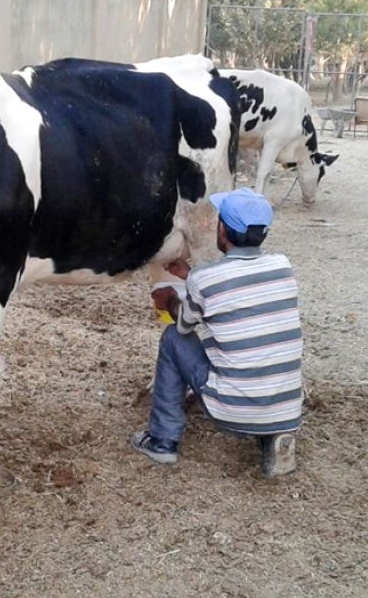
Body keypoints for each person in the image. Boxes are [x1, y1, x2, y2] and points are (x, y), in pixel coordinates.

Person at [130, 187, 304, 478]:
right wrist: (193, 274)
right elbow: (235, 286)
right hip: (287, 410)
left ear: (221, 229)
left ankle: (161, 441)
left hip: (230, 411)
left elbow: (185, 324)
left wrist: (170, 299)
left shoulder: (206, 279)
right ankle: (275, 437)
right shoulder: (282, 266)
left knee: (174, 337)